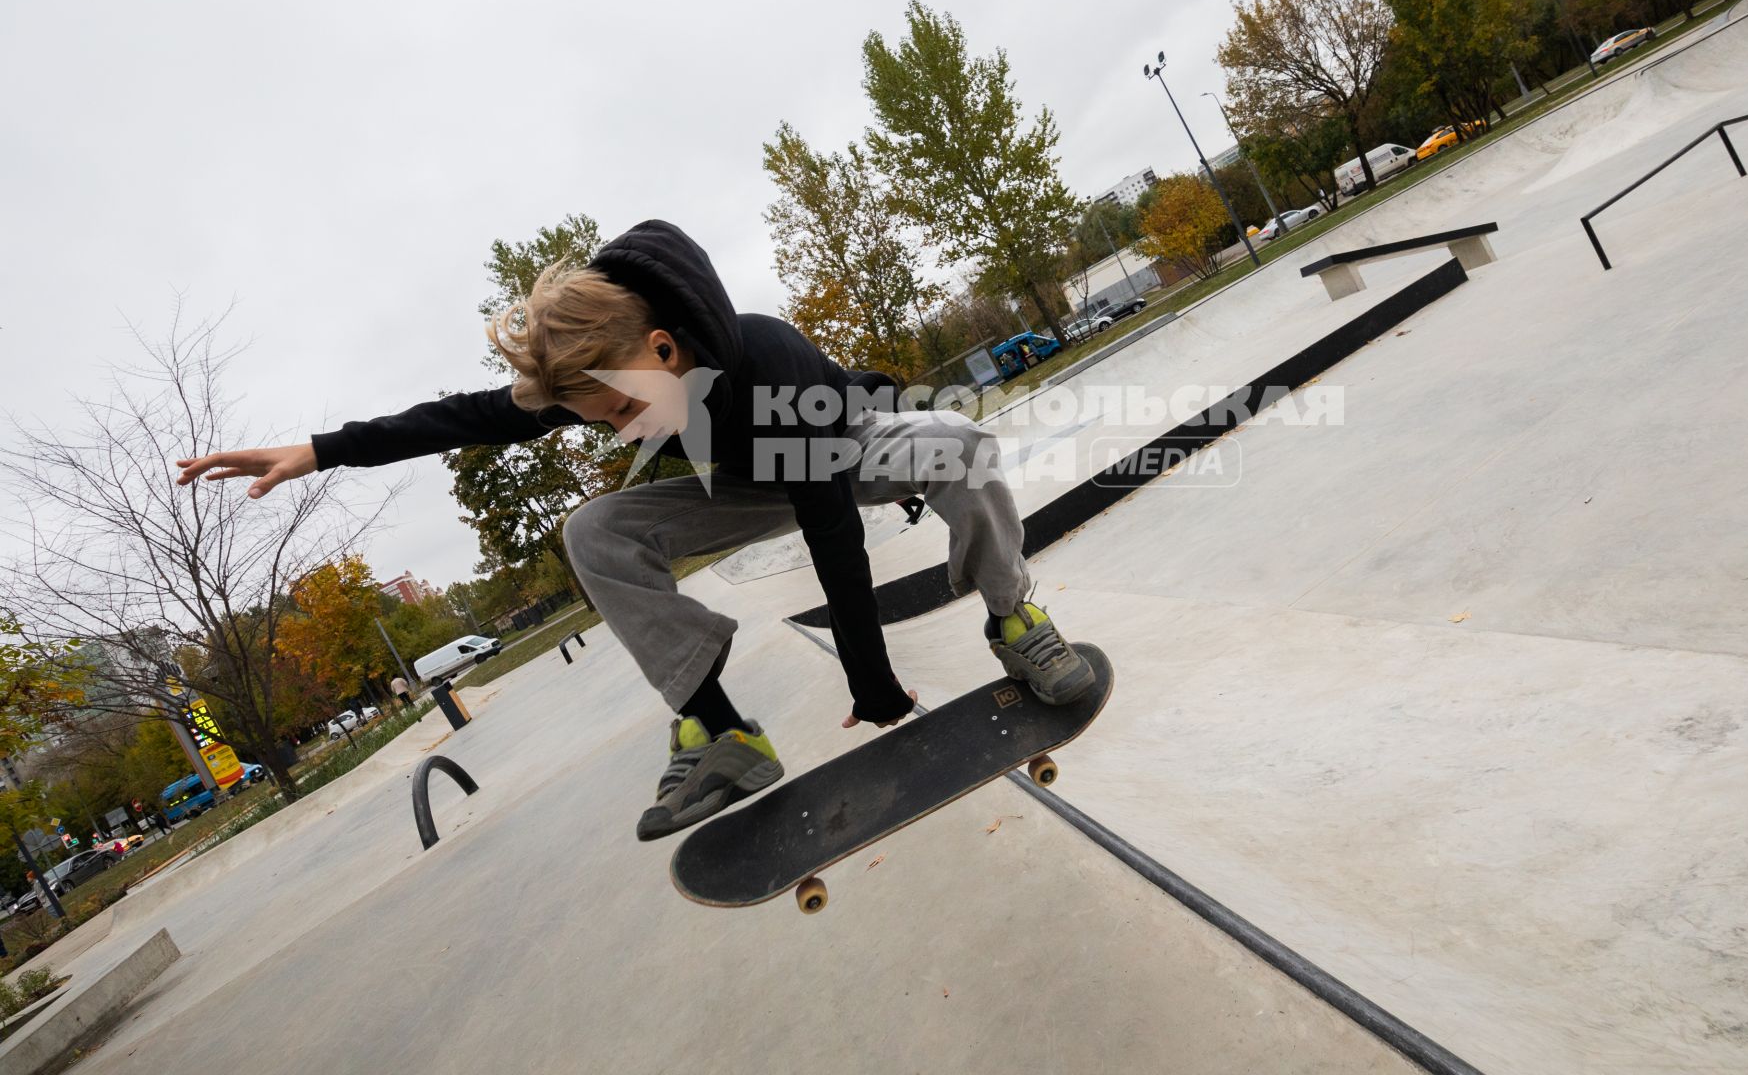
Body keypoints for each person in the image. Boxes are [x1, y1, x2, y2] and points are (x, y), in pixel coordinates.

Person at [175, 220, 1092, 841]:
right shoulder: (607, 372)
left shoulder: (761, 362)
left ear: (662, 349)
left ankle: (1014, 619)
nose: (613, 428)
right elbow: (465, 417)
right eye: (599, 418)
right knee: (596, 531)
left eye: (618, 411)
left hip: (840, 448)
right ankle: (721, 732)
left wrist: (873, 679)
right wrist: (320, 449)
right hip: (743, 486)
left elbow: (831, 533)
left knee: (961, 443)